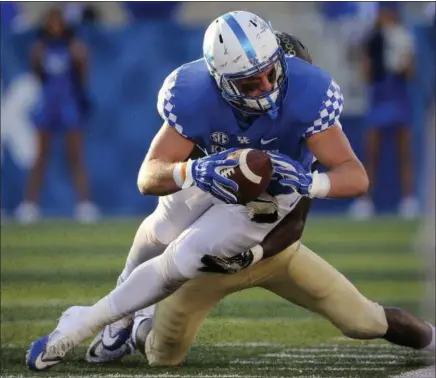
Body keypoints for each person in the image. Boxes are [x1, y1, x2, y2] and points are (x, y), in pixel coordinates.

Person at [25, 10, 391, 371]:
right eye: (250, 83)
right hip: (212, 175)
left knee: (184, 258)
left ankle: (81, 323)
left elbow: (355, 176)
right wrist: (194, 169)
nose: (265, 88)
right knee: (161, 231)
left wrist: (311, 181)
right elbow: (147, 177)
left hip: (266, 202)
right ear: (220, 81)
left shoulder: (311, 93)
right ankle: (122, 321)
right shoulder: (193, 92)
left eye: (271, 74)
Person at [15, 7, 99, 224]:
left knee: (75, 156)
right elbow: (37, 77)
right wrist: (36, 59)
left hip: (68, 105)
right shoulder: (40, 49)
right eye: (51, 22)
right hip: (47, 105)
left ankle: (84, 205)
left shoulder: (74, 48)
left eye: (58, 22)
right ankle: (29, 205)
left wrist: (82, 60)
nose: (55, 26)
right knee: (40, 156)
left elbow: (83, 79)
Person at [348, 3, 418, 220]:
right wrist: (371, 55)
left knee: (404, 154)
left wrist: (400, 58)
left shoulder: (404, 36)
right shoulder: (372, 38)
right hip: (378, 99)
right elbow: (365, 73)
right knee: (372, 154)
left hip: (398, 98)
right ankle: (365, 201)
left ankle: (408, 201)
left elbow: (410, 72)